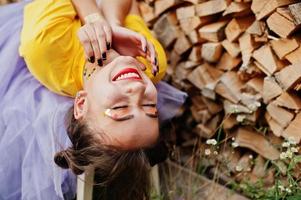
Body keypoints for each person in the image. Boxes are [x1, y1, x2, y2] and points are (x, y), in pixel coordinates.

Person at [0, 0, 187, 199]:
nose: (138, 88)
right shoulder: (149, 61)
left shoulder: (46, 44)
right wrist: (113, 25)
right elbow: (131, 4)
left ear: (80, 104)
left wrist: (93, 19)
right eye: (150, 107)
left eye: (120, 108)